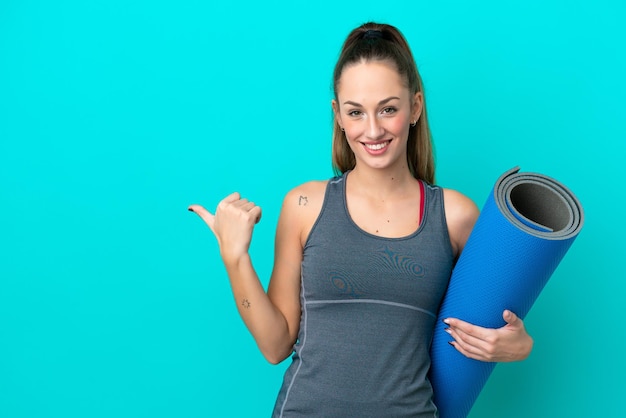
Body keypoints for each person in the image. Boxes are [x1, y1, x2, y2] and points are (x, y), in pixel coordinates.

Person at [189, 22, 533, 417]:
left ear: (415, 107)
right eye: (356, 112)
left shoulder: (455, 216)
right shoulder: (304, 205)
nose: (373, 130)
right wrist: (235, 258)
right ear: (338, 114)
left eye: (388, 109)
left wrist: (520, 346)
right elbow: (275, 345)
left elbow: (490, 323)